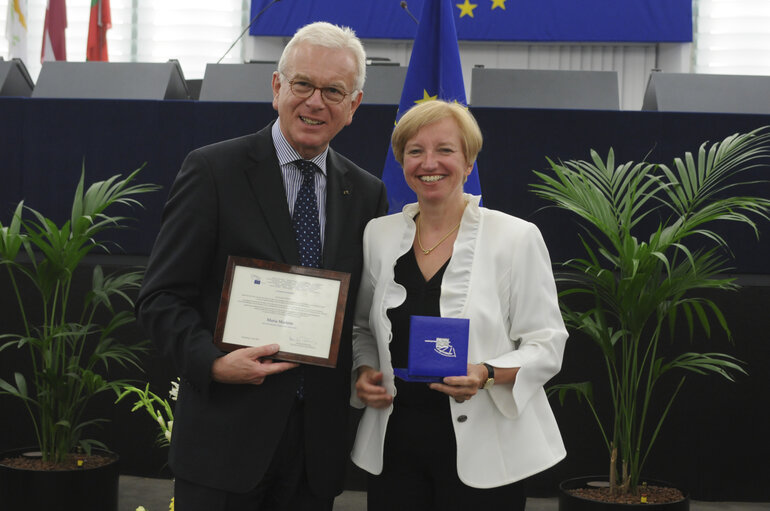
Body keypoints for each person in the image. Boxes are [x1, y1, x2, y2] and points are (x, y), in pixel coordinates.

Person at [136, 22, 387, 511]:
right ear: (277, 88)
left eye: (333, 91)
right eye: (302, 84)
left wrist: (366, 368)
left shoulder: (366, 193)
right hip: (223, 446)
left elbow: (361, 314)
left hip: (314, 453)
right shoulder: (213, 171)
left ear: (353, 107)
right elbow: (160, 298)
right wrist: (212, 361)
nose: (315, 102)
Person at [350, 100, 568, 511]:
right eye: (415, 151)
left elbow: (547, 343)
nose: (429, 162)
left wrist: (486, 373)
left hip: (487, 446)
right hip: (395, 446)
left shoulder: (516, 237)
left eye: (445, 150)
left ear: (468, 162)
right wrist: (364, 371)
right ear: (401, 162)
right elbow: (363, 328)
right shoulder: (377, 235)